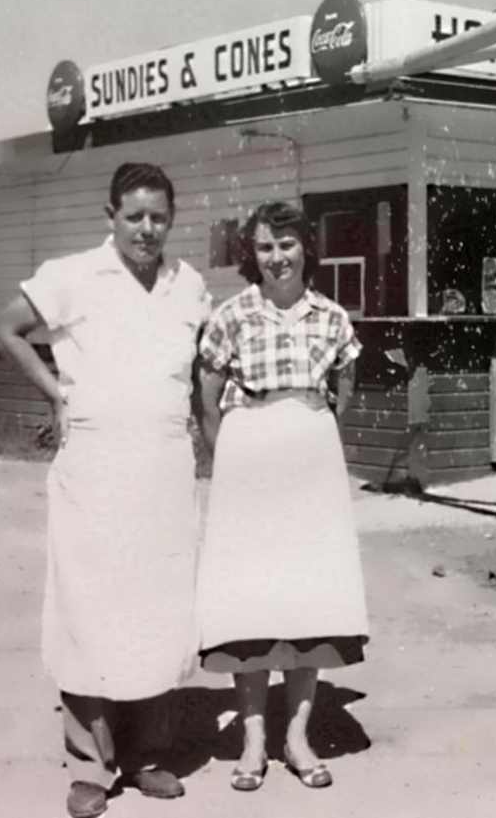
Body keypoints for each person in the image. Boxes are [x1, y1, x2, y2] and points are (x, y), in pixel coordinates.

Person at [0, 162, 211, 818]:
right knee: (90, 607)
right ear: (109, 214)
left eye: (159, 216)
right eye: (135, 215)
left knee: (159, 605)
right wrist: (57, 393)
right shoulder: (71, 275)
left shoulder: (189, 283)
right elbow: (3, 329)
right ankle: (90, 763)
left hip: (166, 462)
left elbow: (196, 368)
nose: (148, 228)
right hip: (95, 462)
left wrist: (211, 436)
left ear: (172, 217)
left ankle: (149, 754)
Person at [196, 200, 368, 792]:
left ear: (306, 250)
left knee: (308, 596)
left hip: (310, 455)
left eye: (287, 245)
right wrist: (233, 448)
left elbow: (345, 383)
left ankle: (297, 737)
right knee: (251, 597)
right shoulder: (232, 314)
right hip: (249, 452)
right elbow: (208, 382)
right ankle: (253, 742)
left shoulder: (332, 316)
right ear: (253, 255)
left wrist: (311, 430)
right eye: (266, 247)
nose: (277, 258)